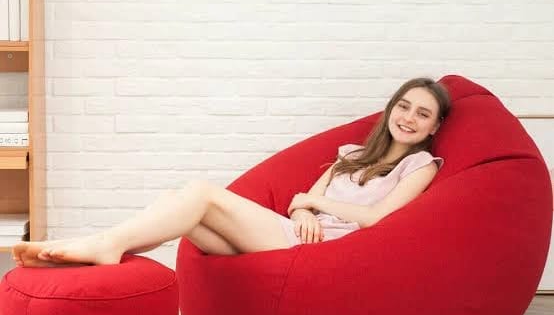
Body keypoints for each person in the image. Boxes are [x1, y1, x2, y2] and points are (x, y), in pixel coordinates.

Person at [12, 76, 450, 268]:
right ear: (392, 108)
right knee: (176, 201)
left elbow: (376, 219)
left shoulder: (420, 165)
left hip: (327, 251)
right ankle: (93, 244)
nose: (409, 117)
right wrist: (302, 211)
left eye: (422, 113)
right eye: (404, 105)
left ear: (434, 126)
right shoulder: (350, 153)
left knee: (201, 192)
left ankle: (102, 245)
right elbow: (301, 204)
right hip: (298, 232)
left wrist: (312, 204)